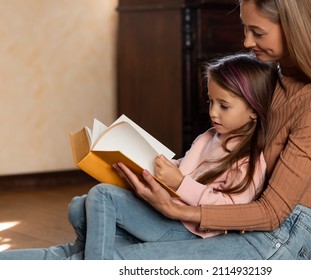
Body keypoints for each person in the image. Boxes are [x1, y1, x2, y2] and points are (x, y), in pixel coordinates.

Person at [0, 0, 311, 260]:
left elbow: (271, 213)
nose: (247, 42)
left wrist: (179, 210)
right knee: (81, 240)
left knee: (103, 258)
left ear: (294, 28)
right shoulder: (275, 80)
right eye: (245, 29)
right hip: (234, 220)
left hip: (277, 238)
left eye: (257, 31)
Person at [0, 53, 278, 260]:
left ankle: (95, 266)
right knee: (79, 207)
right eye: (210, 102)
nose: (213, 112)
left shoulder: (251, 159)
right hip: (166, 215)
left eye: (224, 105)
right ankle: (90, 257)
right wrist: (153, 166)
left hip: (188, 231)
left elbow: (232, 209)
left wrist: (181, 183)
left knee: (102, 196)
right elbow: (186, 168)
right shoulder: (209, 137)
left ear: (254, 109)